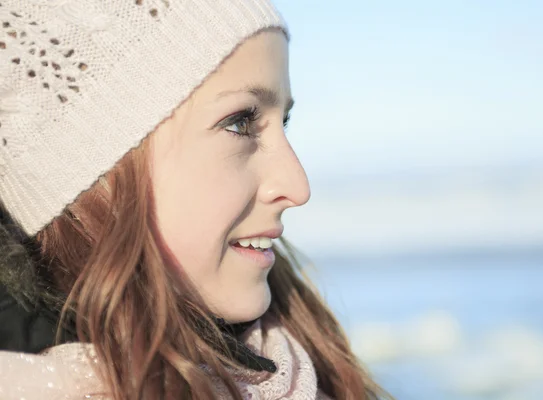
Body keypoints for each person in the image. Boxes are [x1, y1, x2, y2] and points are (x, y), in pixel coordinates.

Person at [0, 1, 392, 399]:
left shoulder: (301, 368)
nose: (297, 186)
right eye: (240, 123)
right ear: (91, 168)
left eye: (283, 123)